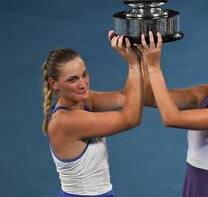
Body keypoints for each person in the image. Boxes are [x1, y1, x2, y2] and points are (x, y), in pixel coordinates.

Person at [139, 31, 208, 197]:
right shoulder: (204, 94)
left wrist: (154, 66)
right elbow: (149, 97)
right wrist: (139, 57)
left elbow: (171, 118)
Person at [41, 31, 143, 197]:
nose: (83, 84)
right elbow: (131, 119)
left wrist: (133, 57)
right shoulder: (66, 121)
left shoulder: (84, 101)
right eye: (72, 79)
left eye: (84, 74)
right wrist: (135, 65)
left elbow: (126, 98)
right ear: (55, 84)